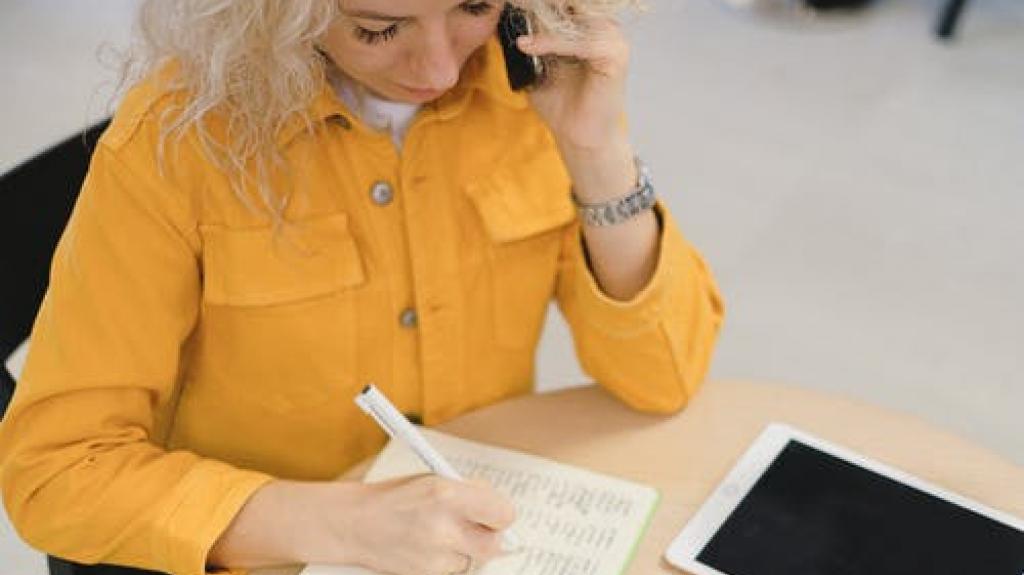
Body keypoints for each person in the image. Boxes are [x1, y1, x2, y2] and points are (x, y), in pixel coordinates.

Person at [0, 1, 724, 574]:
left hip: (480, 532)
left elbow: (662, 375)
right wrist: (350, 523)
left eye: (472, 5)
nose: (440, 67)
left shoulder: (532, 81)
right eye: (379, 29)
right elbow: (57, 473)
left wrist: (595, 151)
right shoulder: (177, 145)